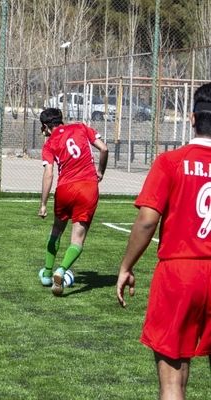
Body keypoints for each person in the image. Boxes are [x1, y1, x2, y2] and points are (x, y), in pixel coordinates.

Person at [116, 82, 211, 400]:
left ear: (192, 119)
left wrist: (126, 266)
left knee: (173, 384)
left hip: (179, 273)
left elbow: (147, 220)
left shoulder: (170, 162)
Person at [38, 108, 108, 295]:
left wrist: (43, 203)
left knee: (56, 230)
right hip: (88, 187)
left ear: (46, 127)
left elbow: (49, 174)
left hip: (65, 189)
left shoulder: (49, 144)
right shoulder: (81, 128)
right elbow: (104, 148)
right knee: (77, 239)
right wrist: (100, 171)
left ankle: (47, 273)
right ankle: (61, 270)